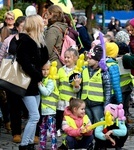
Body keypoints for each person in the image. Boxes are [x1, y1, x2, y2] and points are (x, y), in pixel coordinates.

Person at [16, 14, 49, 150]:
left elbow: (43, 59)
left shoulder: (36, 40)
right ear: (36, 24)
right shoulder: (26, 41)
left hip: (33, 83)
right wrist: (38, 75)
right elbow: (25, 63)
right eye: (41, 23)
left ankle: (29, 144)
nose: (44, 24)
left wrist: (42, 43)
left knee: (34, 116)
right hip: (27, 83)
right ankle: (24, 145)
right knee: (35, 116)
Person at [81, 45, 111, 124]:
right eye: (87, 58)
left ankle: (98, 135)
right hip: (85, 102)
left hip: (97, 103)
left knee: (98, 121)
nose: (88, 60)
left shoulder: (103, 72)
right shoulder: (84, 70)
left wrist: (106, 104)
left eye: (90, 58)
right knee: (88, 121)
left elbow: (107, 88)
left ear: (97, 60)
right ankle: (90, 136)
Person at [56, 47, 81, 138]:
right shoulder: (61, 70)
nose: (66, 59)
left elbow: (76, 89)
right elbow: (57, 84)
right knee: (59, 115)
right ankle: (58, 128)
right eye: (65, 57)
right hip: (60, 99)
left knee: (68, 116)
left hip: (70, 100)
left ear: (74, 59)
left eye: (68, 57)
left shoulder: (77, 72)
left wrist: (77, 85)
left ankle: (68, 129)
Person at [38, 61, 58, 150]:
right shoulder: (44, 80)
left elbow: (46, 93)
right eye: (43, 69)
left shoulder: (51, 81)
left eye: (47, 69)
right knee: (43, 129)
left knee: (52, 130)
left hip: (50, 109)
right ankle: (42, 146)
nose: (45, 72)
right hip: (44, 110)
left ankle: (54, 146)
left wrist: (40, 86)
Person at [45, 5, 68, 69]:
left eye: (47, 14)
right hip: (62, 62)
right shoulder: (63, 27)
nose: (46, 17)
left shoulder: (53, 30)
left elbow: (47, 51)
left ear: (51, 14)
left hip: (53, 64)